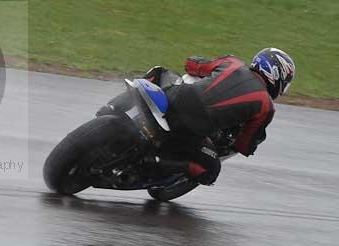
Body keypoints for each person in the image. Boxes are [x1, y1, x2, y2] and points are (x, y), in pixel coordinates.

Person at [98, 48, 295, 186]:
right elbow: (244, 145)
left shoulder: (232, 63)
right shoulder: (265, 107)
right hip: (191, 131)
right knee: (210, 172)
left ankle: (111, 108)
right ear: (277, 75)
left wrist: (199, 68)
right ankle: (154, 162)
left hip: (173, 99)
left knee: (160, 72)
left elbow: (192, 64)